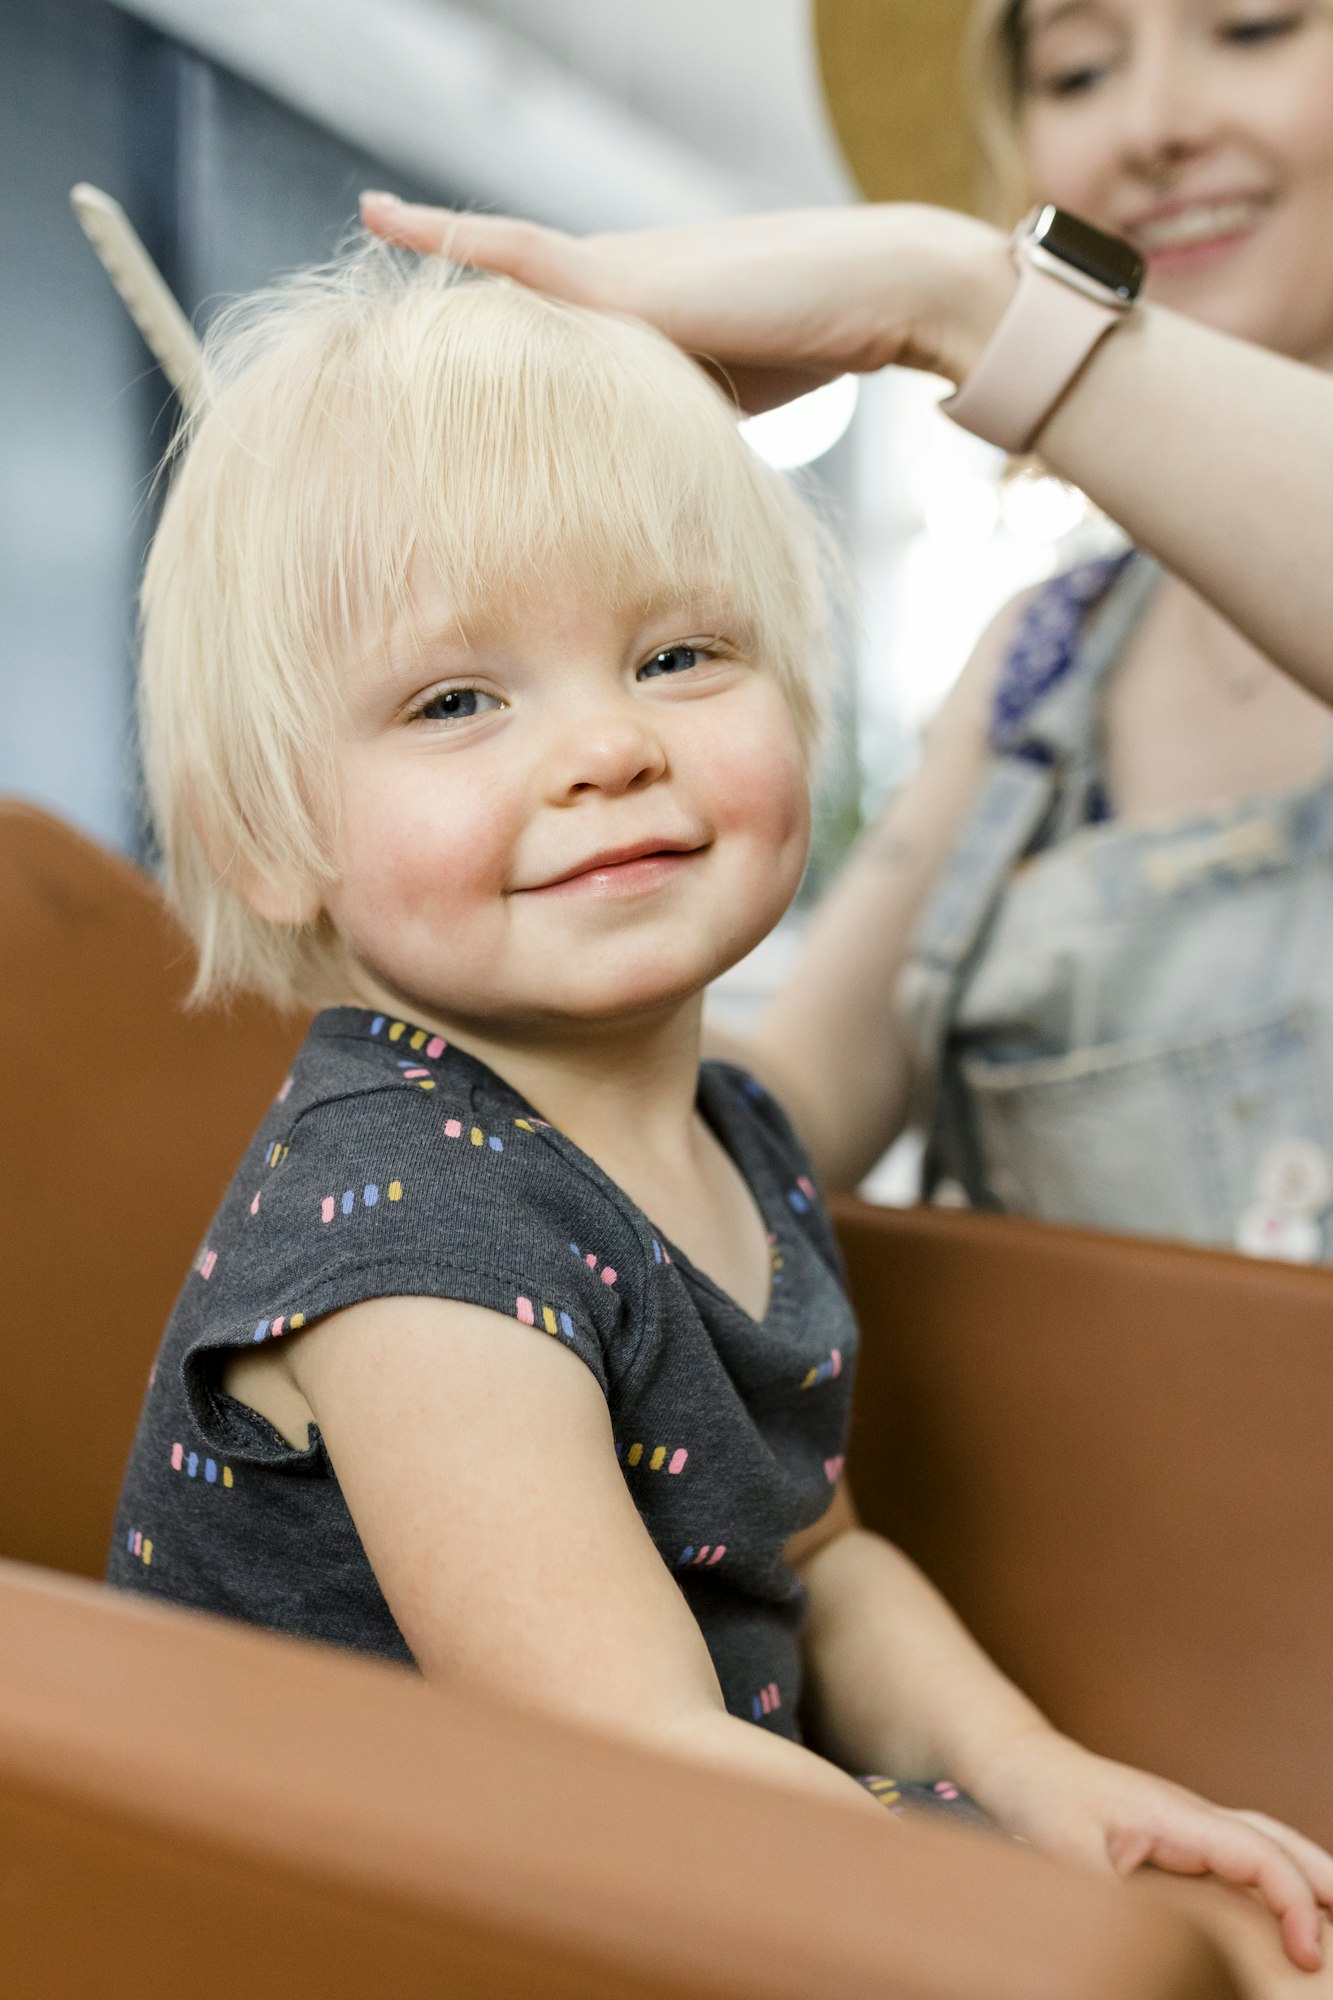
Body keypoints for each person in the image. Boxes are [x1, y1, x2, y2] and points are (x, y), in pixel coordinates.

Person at [107, 244, 1331, 1991]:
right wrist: (1070, 1931)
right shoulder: (418, 1254)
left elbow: (815, 1560)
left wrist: (1036, 1780)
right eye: (457, 700)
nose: (606, 747)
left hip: (682, 1864)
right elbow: (633, 1767)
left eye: (678, 653)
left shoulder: (731, 1139)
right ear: (268, 839)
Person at [361, 0, 1333, 1261]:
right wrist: (482, 1043)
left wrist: (949, 299)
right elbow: (800, 1099)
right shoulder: (1041, 665)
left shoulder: (963, 309)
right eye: (1080, 66)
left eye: (1252, 28)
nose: (1151, 126)